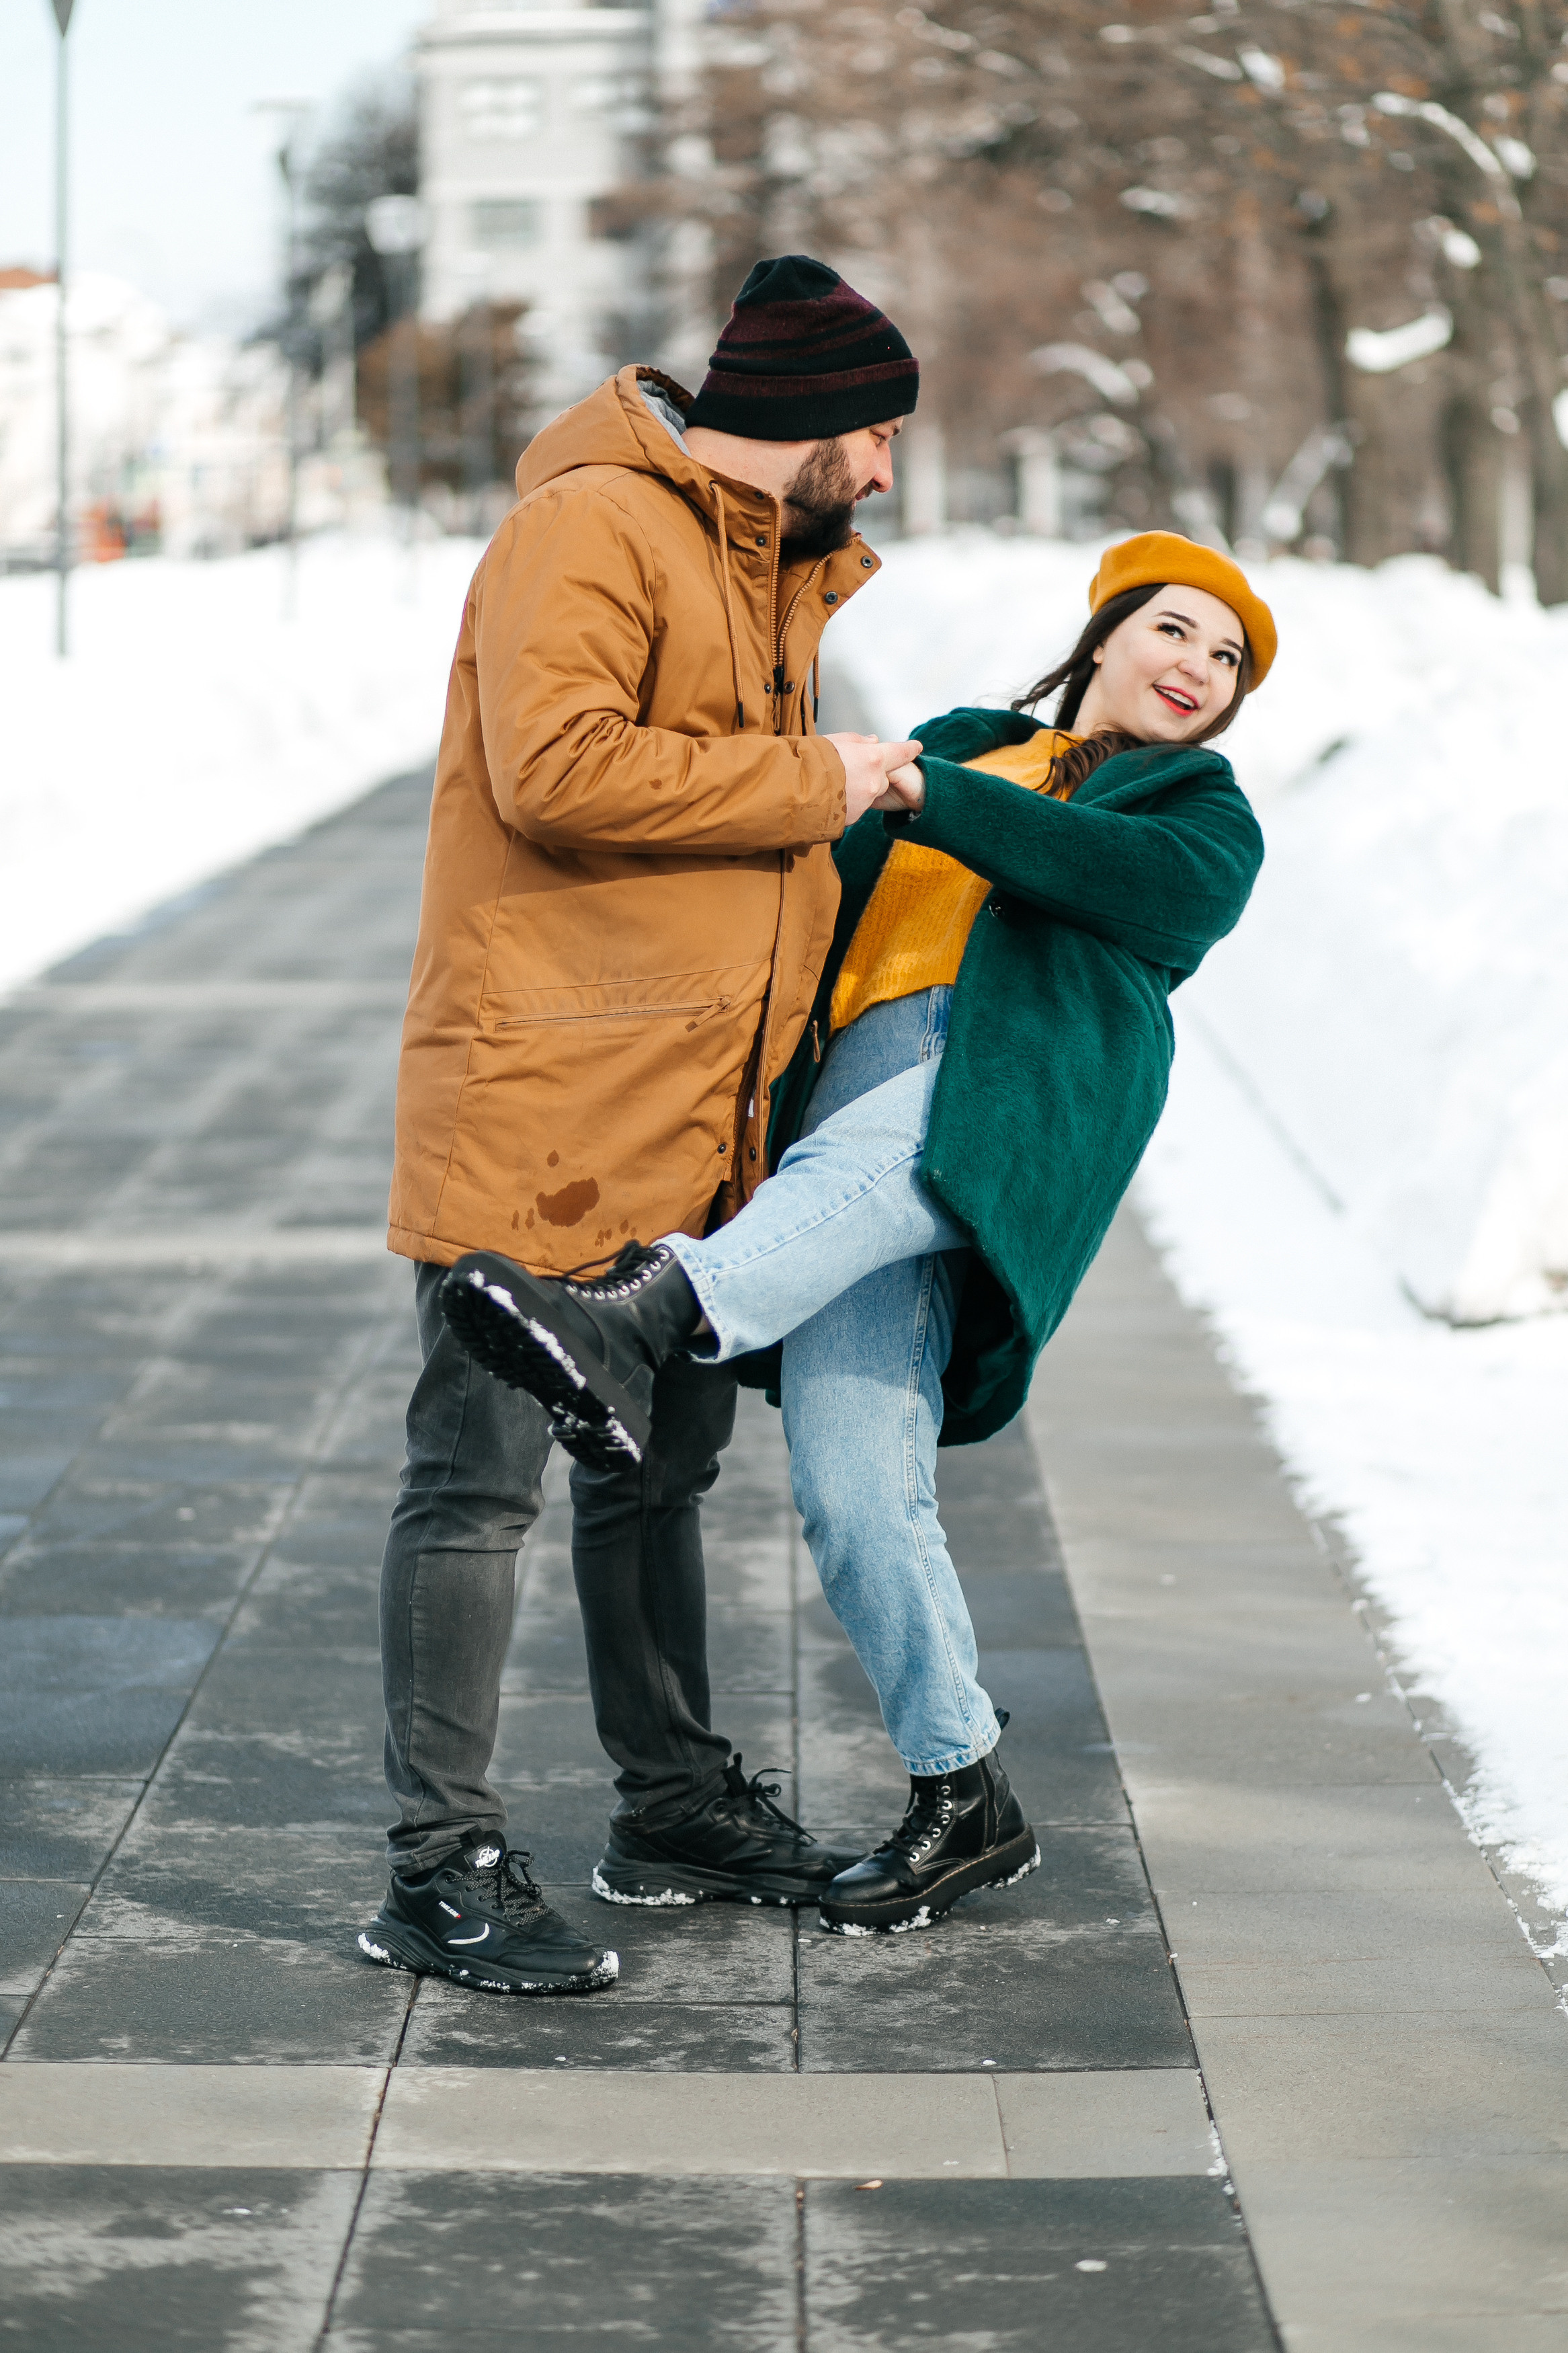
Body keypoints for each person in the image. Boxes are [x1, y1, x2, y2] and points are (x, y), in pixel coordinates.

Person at [436, 532, 1274, 1936]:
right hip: (846, 1117)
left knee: (910, 1135)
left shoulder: (1200, 810)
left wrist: (926, 792)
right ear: (1107, 635)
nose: (1196, 668)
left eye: (1227, 659)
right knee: (850, 1482)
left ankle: (643, 1314)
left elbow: (1130, 884)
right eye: (1174, 631)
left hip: (1001, 1101)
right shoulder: (961, 743)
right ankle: (969, 1791)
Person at [358, 255, 925, 1998]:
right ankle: (435, 1865)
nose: (889, 471)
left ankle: (669, 1802)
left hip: (694, 1102)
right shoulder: (595, 525)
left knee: (658, 1471)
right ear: (804, 420)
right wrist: (818, 782)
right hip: (543, 1090)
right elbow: (558, 766)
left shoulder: (757, 564)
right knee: (477, 1485)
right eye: (878, 431)